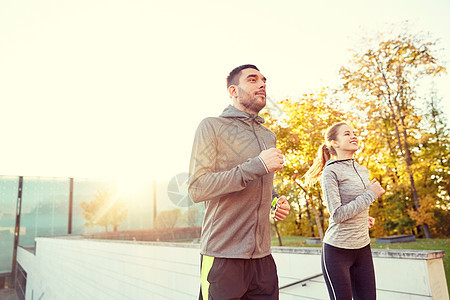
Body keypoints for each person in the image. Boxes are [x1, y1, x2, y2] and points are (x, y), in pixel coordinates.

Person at [188, 64, 290, 300]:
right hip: (223, 257)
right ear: (233, 91)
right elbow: (197, 187)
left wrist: (274, 202)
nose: (262, 84)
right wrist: (257, 166)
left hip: (263, 260)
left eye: (264, 80)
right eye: (253, 80)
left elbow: (260, 183)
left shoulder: (268, 136)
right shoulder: (211, 126)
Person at [304, 122, 385, 300]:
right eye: (347, 134)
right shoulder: (330, 172)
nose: (354, 136)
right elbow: (338, 214)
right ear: (335, 143)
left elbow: (356, 204)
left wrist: (364, 217)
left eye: (354, 133)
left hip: (363, 248)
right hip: (337, 251)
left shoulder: (363, 171)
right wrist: (371, 195)